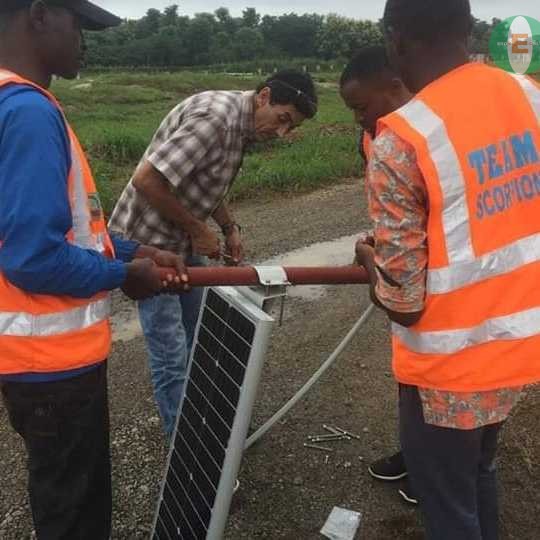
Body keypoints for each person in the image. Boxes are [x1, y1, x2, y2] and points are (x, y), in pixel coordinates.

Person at [0, 1, 188, 538]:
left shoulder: (12, 104)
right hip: (52, 364)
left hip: (32, 364)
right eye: (78, 24)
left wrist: (131, 252)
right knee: (75, 515)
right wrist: (124, 276)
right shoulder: (29, 112)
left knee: (63, 497)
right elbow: (33, 258)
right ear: (39, 15)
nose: (84, 40)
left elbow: (62, 234)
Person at [354, 0, 540, 537]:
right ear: (468, 29)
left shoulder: (401, 139)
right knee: (479, 474)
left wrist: (369, 258)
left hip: (449, 369)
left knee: (448, 507)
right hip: (516, 347)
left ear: (396, 39)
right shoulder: (529, 96)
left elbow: (404, 303)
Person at [109, 70, 318, 438]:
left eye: (292, 127)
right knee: (171, 353)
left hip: (181, 243)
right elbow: (147, 180)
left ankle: (213, 430)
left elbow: (205, 181)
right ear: (264, 96)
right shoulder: (215, 120)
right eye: (283, 119)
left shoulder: (243, 124)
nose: (282, 132)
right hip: (148, 245)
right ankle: (186, 446)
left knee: (203, 336)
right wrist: (197, 229)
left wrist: (228, 227)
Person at [340, 47, 416, 503]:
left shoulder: (429, 132)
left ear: (395, 85)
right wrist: (381, 236)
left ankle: (433, 471)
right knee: (410, 378)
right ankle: (418, 456)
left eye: (361, 107)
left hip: (427, 285)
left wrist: (370, 260)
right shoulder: (374, 136)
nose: (359, 119)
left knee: (433, 384)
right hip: (403, 262)